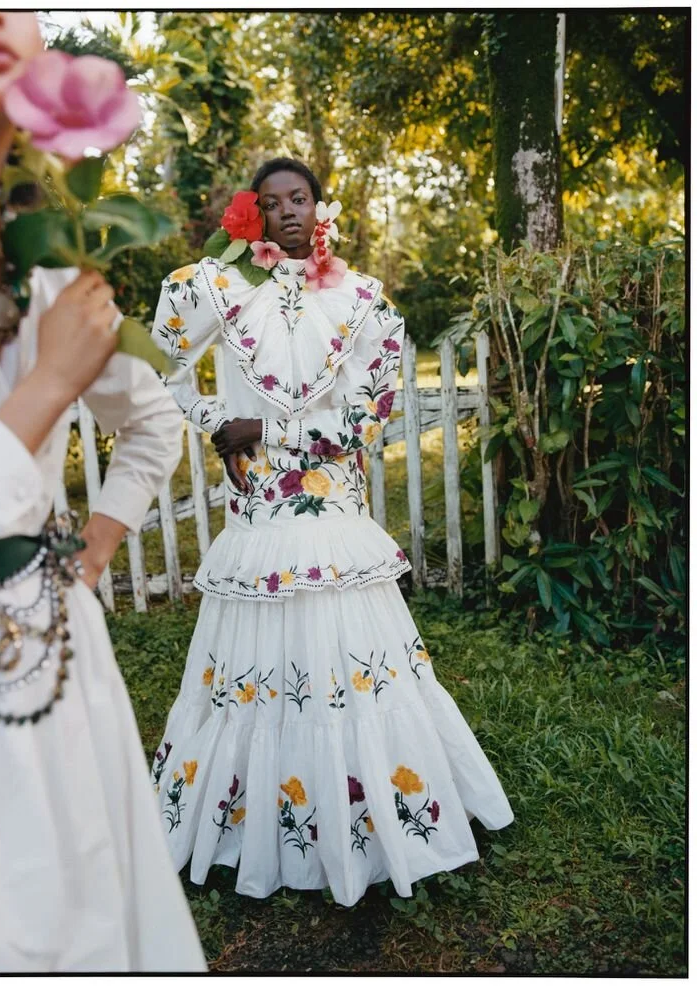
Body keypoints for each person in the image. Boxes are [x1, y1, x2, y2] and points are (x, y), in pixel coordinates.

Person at [0, 11, 206, 972]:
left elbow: (155, 422)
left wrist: (97, 552)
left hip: (72, 690)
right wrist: (42, 391)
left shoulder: (51, 253)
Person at [149, 157, 514, 907]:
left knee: (350, 668)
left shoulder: (361, 298)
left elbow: (371, 415)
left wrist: (275, 433)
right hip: (259, 518)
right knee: (256, 674)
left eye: (300, 198)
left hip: (329, 509)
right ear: (253, 212)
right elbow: (168, 361)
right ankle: (253, 827)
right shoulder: (224, 288)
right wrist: (221, 421)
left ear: (320, 208)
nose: (288, 210)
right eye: (271, 201)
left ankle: (377, 821)